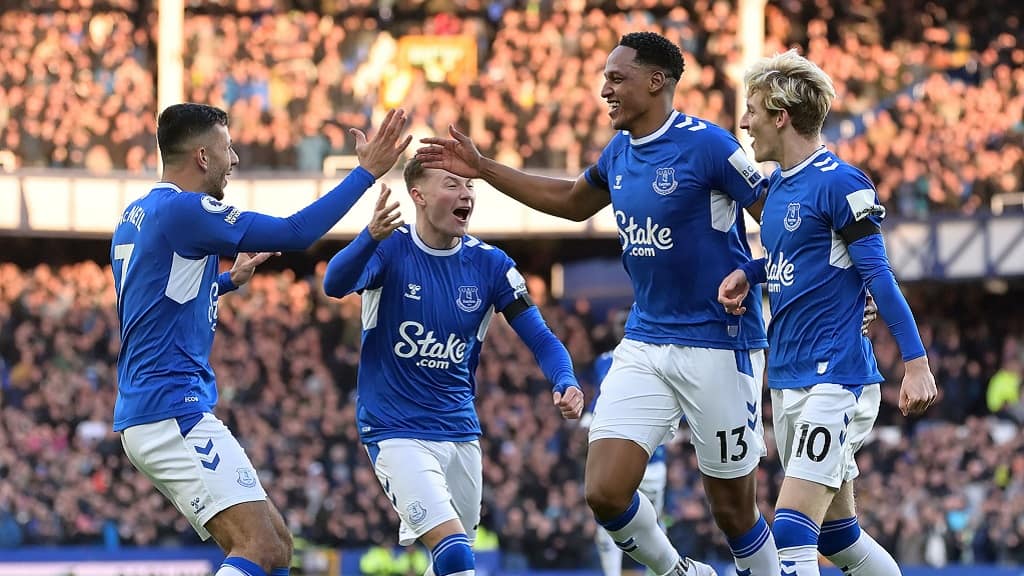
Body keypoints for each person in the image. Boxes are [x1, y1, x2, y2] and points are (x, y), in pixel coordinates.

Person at [417, 31, 777, 576]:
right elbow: (570, 202)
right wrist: (484, 167)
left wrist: (751, 272)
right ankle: (680, 573)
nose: (604, 89)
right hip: (648, 341)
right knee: (605, 494)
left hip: (721, 343)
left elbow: (781, 219)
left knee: (733, 511)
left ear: (656, 81)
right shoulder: (619, 152)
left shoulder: (709, 146)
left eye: (616, 77)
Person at [111, 103, 411, 576]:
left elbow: (155, 303)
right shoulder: (185, 210)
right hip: (170, 409)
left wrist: (227, 282)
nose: (234, 160)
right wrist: (365, 174)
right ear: (204, 157)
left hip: (157, 409)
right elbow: (297, 232)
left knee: (278, 544)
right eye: (227, 148)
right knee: (260, 548)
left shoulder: (137, 213)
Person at [718, 49, 938, 576]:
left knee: (792, 527)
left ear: (781, 116)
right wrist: (750, 272)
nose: (744, 122)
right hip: (789, 375)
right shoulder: (776, 191)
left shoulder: (843, 182)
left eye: (751, 110)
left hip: (836, 377)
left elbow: (877, 276)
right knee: (840, 536)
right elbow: (793, 259)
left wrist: (916, 361)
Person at [321, 158, 585, 576]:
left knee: (450, 564)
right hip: (396, 431)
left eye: (470, 185)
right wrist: (369, 236)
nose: (467, 193)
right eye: (452, 184)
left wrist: (565, 379)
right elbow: (334, 284)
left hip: (461, 432)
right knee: (456, 555)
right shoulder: (389, 247)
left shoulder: (491, 265)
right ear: (418, 195)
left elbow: (541, 338)